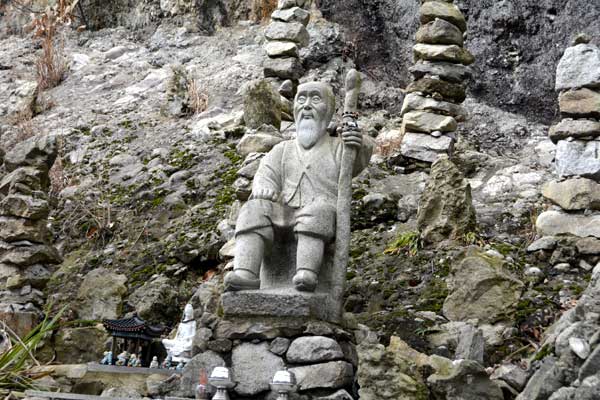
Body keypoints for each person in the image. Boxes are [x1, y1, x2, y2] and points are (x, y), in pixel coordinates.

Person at [224, 81, 372, 292]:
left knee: (318, 211)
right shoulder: (281, 150)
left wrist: (358, 141)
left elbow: (359, 158)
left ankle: (307, 273)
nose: (307, 105)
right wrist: (264, 188)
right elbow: (265, 174)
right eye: (301, 99)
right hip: (283, 211)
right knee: (252, 209)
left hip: (320, 211)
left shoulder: (339, 148)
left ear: (328, 110)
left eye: (315, 99)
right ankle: (245, 273)